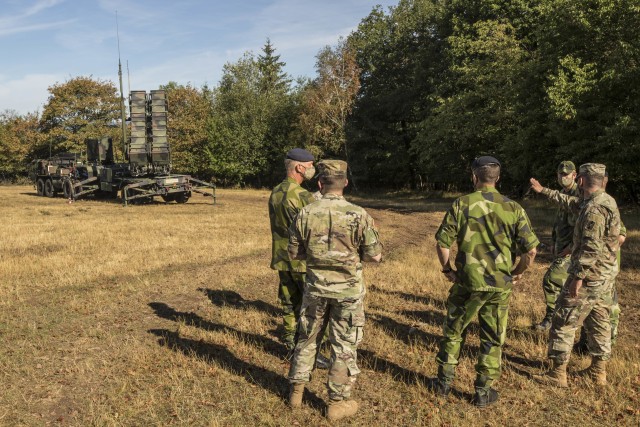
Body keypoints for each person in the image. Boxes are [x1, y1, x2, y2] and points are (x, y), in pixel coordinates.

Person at [433, 156, 539, 407]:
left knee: (454, 332)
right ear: (497, 178)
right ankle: (483, 390)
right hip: (498, 285)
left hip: (467, 282)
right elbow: (531, 251)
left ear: (474, 177)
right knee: (492, 337)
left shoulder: (462, 204)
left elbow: (442, 243)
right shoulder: (513, 208)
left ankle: (443, 383)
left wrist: (448, 269)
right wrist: (516, 271)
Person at [286, 160, 382, 421]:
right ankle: (337, 402)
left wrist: (318, 258)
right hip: (347, 293)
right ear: (346, 183)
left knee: (307, 337)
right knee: (343, 345)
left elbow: (294, 253)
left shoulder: (305, 213)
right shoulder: (359, 214)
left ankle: (296, 391)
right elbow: (374, 256)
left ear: (320, 183)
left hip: (315, 288)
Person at [531, 163, 621, 387]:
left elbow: (591, 248)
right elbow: (570, 202)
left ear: (580, 180)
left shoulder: (594, 210)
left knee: (563, 320)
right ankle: (598, 372)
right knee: (599, 321)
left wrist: (577, 278)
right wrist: (544, 191)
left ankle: (557, 373)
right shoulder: (606, 202)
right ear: (603, 180)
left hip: (590, 277)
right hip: (605, 277)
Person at [268, 148, 317, 352]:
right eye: (310, 166)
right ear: (299, 167)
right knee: (311, 306)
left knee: (289, 302)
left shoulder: (276, 191)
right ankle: (308, 348)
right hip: (302, 260)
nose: (312, 170)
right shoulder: (303, 195)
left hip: (282, 256)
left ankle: (289, 341)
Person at [534, 161, 579, 330]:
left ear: (574, 175)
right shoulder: (563, 192)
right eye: (560, 174)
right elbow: (561, 224)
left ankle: (552, 318)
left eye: (566, 174)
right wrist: (555, 244)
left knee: (551, 280)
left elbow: (581, 231)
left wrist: (568, 250)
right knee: (565, 286)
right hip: (562, 249)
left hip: (571, 252)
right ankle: (564, 318)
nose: (563, 177)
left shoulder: (577, 195)